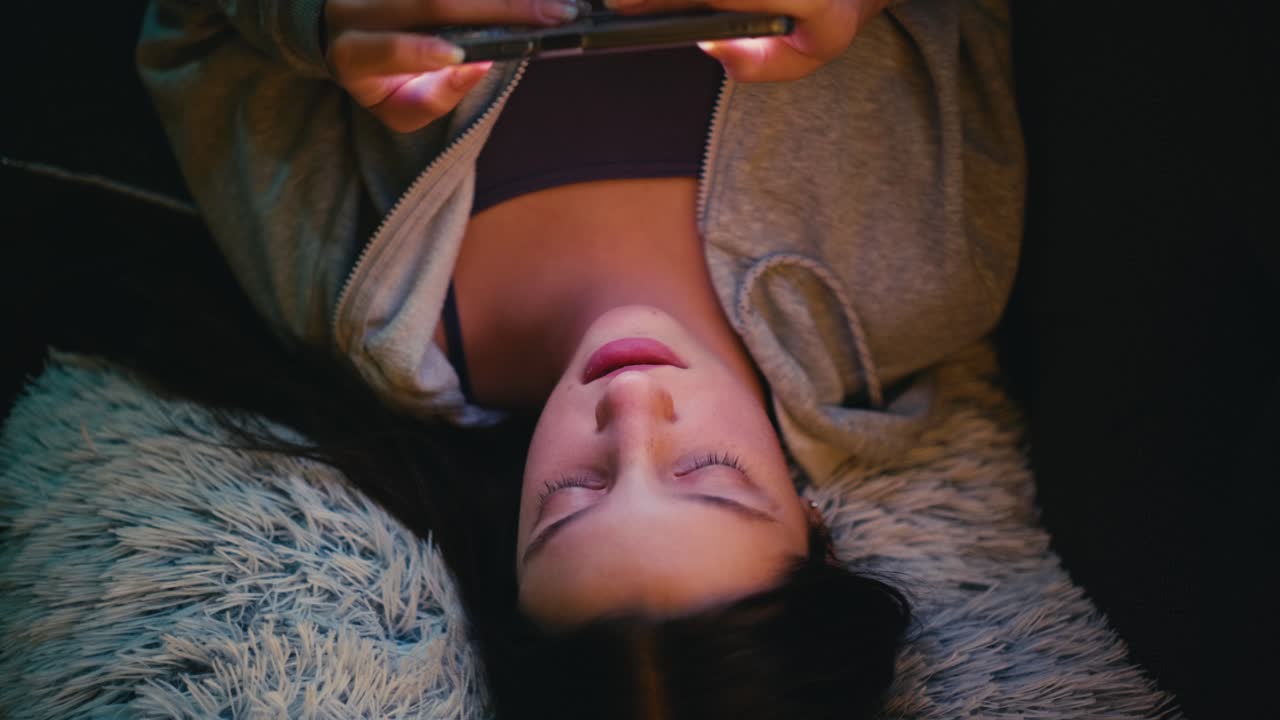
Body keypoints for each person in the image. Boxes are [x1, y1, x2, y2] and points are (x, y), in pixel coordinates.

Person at [135, 0, 1023, 716]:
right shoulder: (928, 273)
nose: (631, 406)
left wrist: (319, 19)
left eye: (570, 495)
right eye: (709, 474)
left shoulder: (359, 303)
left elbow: (195, 28)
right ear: (816, 527)